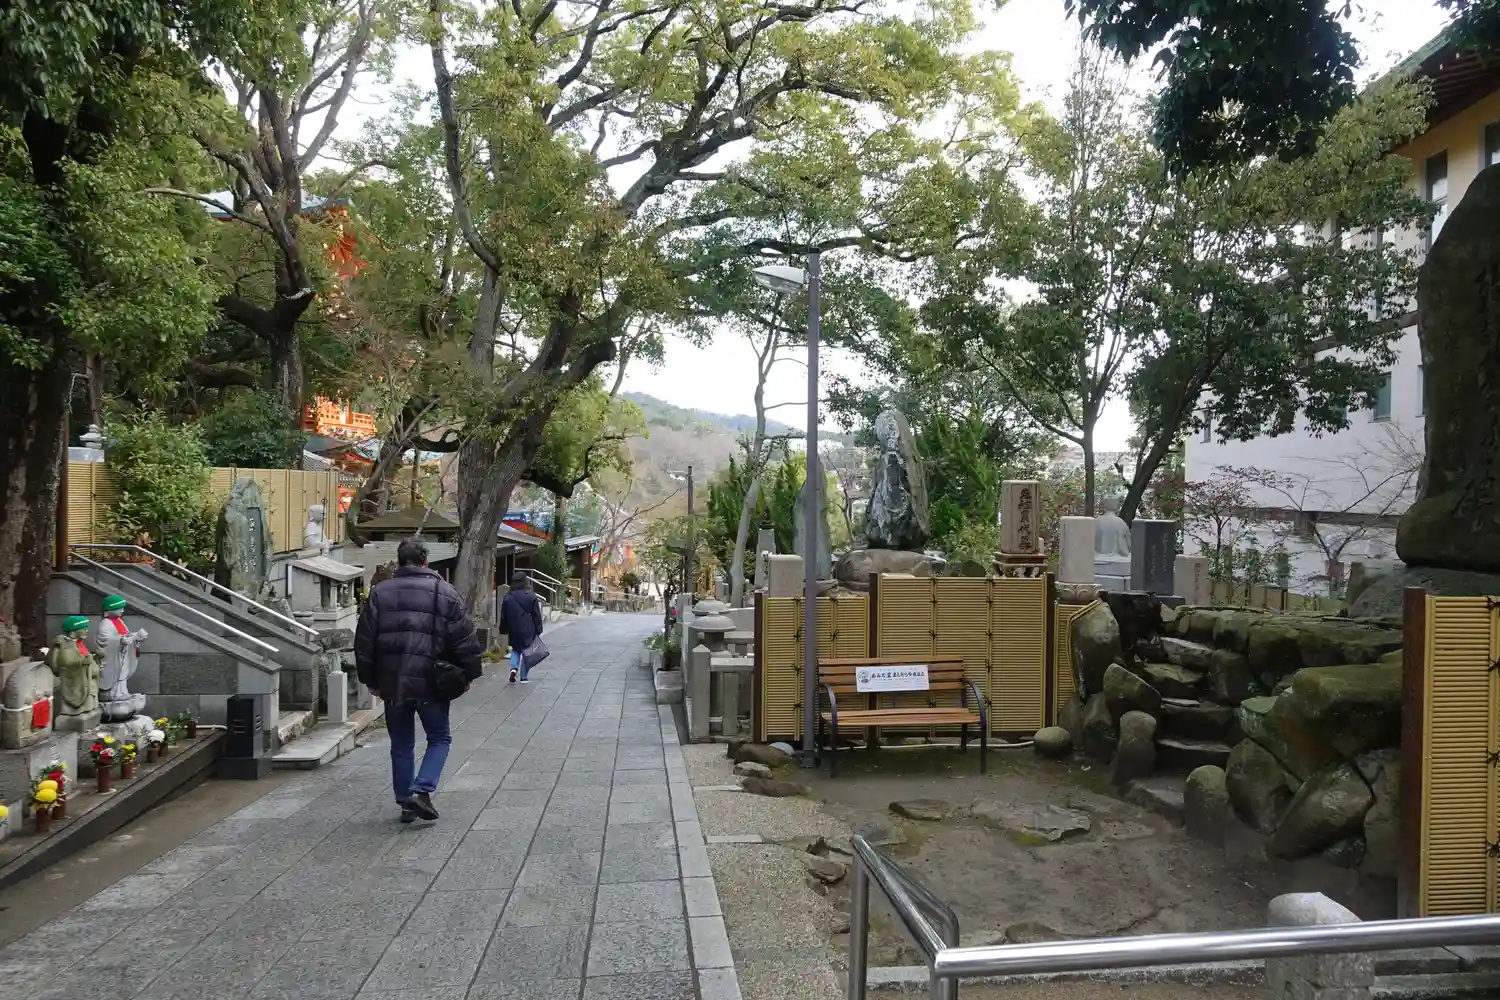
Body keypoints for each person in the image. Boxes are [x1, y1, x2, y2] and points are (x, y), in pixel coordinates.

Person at [354, 537, 481, 823]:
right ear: (426, 561)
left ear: (399, 562)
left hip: (393, 682)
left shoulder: (380, 593)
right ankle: (421, 790)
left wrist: (369, 679)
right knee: (439, 737)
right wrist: (468, 673)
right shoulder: (444, 592)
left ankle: (405, 803)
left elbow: (364, 642)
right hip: (432, 681)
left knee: (401, 744)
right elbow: (463, 638)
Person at [500, 572, 545, 684]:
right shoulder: (531, 596)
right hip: (528, 628)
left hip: (513, 628)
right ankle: (524, 677)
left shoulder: (508, 597)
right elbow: (536, 615)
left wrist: (503, 629)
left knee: (516, 649)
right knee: (527, 651)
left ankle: (513, 669)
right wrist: (539, 629)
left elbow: (504, 616)